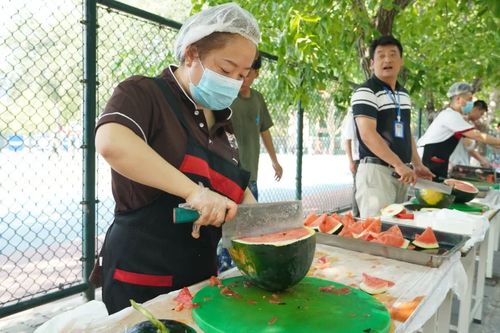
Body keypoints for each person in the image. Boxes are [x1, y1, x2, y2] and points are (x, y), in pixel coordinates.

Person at [94, 3, 260, 314]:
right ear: (190, 55)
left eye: (241, 75)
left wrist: (275, 230)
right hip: (142, 273)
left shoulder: (224, 122)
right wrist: (194, 193)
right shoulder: (144, 93)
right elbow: (112, 143)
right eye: (226, 70)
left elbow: (235, 188)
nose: (234, 82)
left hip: (200, 276)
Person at [351, 35, 433, 218]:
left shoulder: (403, 94)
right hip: (376, 174)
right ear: (372, 63)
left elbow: (405, 132)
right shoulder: (365, 91)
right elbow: (367, 134)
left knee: (397, 231)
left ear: (401, 61)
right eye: (380, 55)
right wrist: (398, 164)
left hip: (401, 173)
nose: (387, 59)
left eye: (392, 54)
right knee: (376, 234)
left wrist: (417, 164)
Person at [418, 83, 500, 179]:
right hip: (427, 160)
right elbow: (478, 136)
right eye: (469, 100)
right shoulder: (450, 116)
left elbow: (482, 140)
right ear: (458, 99)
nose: (471, 104)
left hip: (437, 160)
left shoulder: (456, 117)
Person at [230, 53, 283, 200]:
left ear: (256, 74)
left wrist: (275, 161)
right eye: (239, 74)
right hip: (228, 174)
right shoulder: (226, 96)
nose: (242, 79)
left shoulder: (258, 99)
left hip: (251, 176)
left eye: (247, 74)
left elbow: (264, 131)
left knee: (251, 220)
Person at [449, 100, 491, 168]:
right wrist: (481, 159)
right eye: (481, 113)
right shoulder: (462, 122)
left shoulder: (468, 123)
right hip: (456, 163)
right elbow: (468, 145)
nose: (480, 117)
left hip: (461, 163)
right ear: (476, 109)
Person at [341, 107, 359, 216]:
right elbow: (347, 139)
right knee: (357, 189)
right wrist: (350, 161)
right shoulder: (353, 112)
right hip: (358, 159)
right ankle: (356, 216)